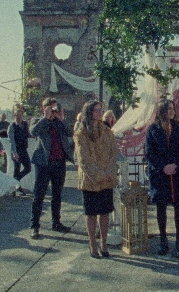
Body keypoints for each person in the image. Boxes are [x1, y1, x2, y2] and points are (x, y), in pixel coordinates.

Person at [145, 99, 179, 258]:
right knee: (161, 208)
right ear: (162, 111)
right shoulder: (153, 129)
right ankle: (163, 240)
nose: (171, 111)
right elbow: (150, 153)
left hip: (178, 174)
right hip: (160, 175)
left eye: (172, 108)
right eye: (168, 108)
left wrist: (175, 165)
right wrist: (164, 166)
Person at [74, 101, 119, 259]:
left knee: (105, 212)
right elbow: (83, 159)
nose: (100, 113)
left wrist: (108, 172)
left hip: (107, 178)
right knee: (91, 213)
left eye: (101, 110)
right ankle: (92, 243)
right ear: (89, 112)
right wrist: (99, 175)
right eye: (97, 110)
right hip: (90, 179)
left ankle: (104, 242)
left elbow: (114, 153)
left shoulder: (107, 131)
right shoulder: (81, 133)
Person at [29, 98, 74, 239]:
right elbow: (33, 132)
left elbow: (69, 133)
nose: (53, 111)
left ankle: (56, 223)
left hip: (59, 162)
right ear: (44, 109)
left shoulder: (58, 121)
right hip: (43, 163)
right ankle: (35, 226)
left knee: (57, 194)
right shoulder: (38, 121)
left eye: (55, 108)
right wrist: (45, 118)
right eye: (50, 108)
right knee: (39, 195)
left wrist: (61, 118)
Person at [8, 104, 31, 196]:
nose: (19, 117)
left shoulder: (25, 124)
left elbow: (27, 134)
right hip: (16, 150)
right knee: (16, 169)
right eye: (17, 115)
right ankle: (16, 188)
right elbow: (12, 140)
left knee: (28, 168)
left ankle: (16, 180)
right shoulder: (12, 126)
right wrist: (14, 153)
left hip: (23, 149)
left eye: (20, 115)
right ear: (15, 116)